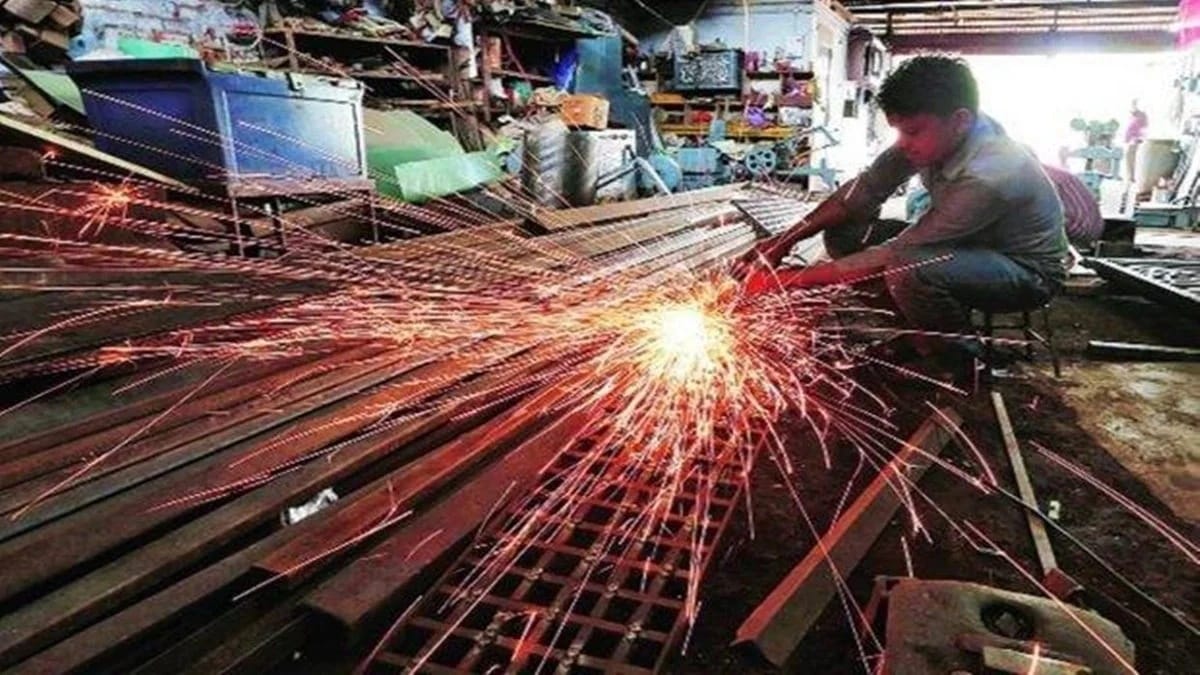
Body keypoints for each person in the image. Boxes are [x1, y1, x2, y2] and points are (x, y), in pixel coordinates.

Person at [741, 56, 1068, 358]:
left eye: (912, 131)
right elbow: (859, 194)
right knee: (845, 235)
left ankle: (961, 358)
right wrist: (783, 240)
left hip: (1025, 271)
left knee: (910, 268)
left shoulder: (992, 173)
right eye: (899, 131)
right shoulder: (939, 136)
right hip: (963, 247)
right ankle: (917, 332)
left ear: (960, 121)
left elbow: (895, 253)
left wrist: (787, 280)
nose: (903, 143)